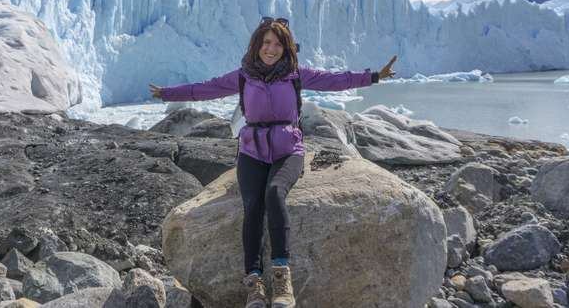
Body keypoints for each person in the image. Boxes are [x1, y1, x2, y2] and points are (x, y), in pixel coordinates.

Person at [149, 17, 396, 308]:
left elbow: (335, 80)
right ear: (257, 44)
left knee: (274, 193)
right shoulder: (243, 76)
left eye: (278, 44)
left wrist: (374, 76)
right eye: (266, 42)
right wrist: (167, 93)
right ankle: (253, 284)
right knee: (252, 205)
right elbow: (205, 89)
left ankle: (281, 277)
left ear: (286, 47)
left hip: (288, 150)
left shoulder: (296, 74)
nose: (271, 48)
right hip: (252, 151)